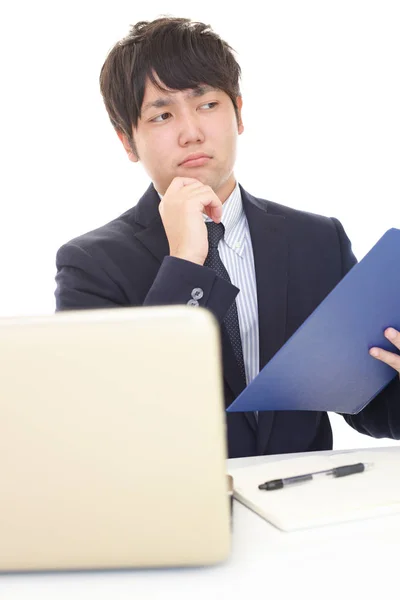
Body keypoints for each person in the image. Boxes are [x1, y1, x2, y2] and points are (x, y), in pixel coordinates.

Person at [55, 16, 400, 458]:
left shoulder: (317, 240)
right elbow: (107, 424)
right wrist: (184, 262)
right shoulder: (90, 265)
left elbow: (368, 408)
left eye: (206, 105)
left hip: (306, 511)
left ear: (237, 112)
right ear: (128, 141)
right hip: (175, 514)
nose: (191, 132)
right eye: (161, 115)